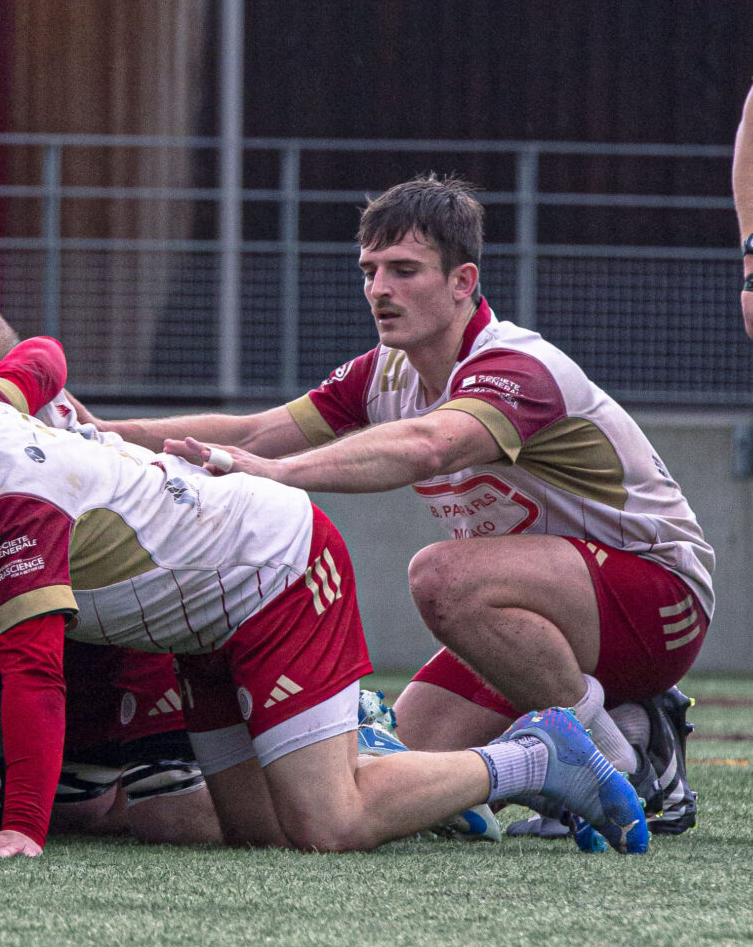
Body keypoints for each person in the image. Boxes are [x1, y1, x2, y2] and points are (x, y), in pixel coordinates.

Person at [0, 338, 649, 859]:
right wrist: (3, 389)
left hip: (272, 571)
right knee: (259, 829)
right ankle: (383, 761)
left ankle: (537, 757)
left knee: (327, 823)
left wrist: (24, 827)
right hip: (203, 611)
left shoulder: (9, 505)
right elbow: (42, 355)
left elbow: (36, 673)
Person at [122, 176, 709, 834]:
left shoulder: (518, 365)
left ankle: (618, 760)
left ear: (462, 281)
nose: (378, 289)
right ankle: (620, 726)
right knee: (404, 766)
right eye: (369, 270)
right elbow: (252, 432)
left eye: (403, 270)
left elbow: (430, 445)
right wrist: (88, 434)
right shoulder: (382, 372)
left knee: (442, 577)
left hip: (659, 602)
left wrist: (275, 473)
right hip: (549, 617)